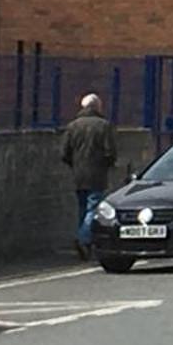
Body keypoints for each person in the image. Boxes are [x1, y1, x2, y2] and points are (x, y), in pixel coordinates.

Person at [60, 94, 117, 260]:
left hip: (79, 173)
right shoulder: (104, 126)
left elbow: (64, 153)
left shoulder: (72, 126)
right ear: (97, 107)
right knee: (93, 208)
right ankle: (83, 238)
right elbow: (110, 152)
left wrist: (74, 165)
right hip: (97, 173)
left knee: (83, 208)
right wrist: (107, 164)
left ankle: (85, 243)